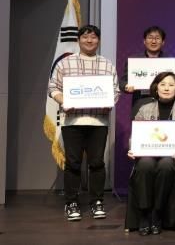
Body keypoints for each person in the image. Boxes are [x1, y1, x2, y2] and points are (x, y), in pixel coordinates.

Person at [48, 24, 120, 221]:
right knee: (73, 162)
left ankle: (97, 201)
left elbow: (115, 91)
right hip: (72, 121)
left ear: (98, 40)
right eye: (86, 37)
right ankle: (71, 202)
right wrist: (64, 100)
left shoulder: (107, 64)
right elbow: (53, 87)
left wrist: (109, 102)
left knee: (97, 162)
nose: (90, 40)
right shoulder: (65, 63)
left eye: (94, 37)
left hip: (98, 121)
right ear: (79, 40)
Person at [127, 72, 175, 235]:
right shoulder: (144, 109)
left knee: (166, 165)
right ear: (156, 88)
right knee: (145, 164)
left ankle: (157, 213)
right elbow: (136, 134)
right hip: (147, 153)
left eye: (171, 85)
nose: (166, 88)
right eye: (163, 84)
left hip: (172, 156)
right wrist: (133, 148)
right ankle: (144, 213)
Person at [120, 25, 173, 118]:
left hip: (165, 106)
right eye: (150, 38)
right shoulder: (134, 61)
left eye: (157, 38)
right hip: (140, 106)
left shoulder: (169, 62)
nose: (153, 41)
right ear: (144, 41)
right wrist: (126, 86)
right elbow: (122, 82)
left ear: (163, 42)